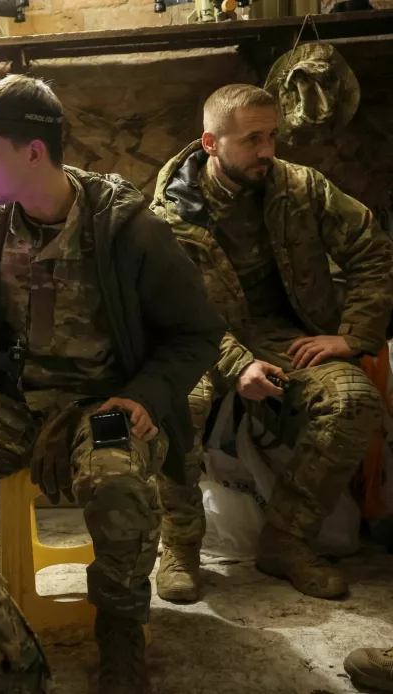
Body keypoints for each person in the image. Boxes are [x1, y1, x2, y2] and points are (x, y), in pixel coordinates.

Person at [0, 74, 225, 694]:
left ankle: (120, 633)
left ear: (34, 152)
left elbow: (197, 333)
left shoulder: (129, 229)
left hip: (105, 400)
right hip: (15, 404)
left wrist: (146, 396)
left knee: (118, 486)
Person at [150, 84, 393, 603]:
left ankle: (286, 540)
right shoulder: (169, 215)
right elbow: (174, 312)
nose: (267, 151)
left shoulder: (302, 188)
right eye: (252, 139)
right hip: (199, 341)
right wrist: (238, 364)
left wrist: (352, 334)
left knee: (354, 401)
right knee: (176, 405)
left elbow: (372, 252)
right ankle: (180, 544)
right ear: (211, 143)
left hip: (285, 335)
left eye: (273, 136)